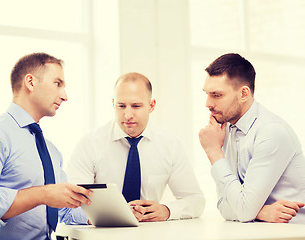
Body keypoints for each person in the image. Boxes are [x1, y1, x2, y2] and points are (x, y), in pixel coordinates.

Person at [0, 52, 93, 240]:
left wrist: (119, 214)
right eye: (57, 83)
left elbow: (66, 211)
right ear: (30, 82)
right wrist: (42, 194)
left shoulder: (51, 151)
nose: (65, 96)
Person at [66, 72, 205, 223]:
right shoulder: (90, 144)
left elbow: (195, 200)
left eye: (136, 106)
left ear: (152, 106)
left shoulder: (170, 145)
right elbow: (68, 208)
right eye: (121, 106)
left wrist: (167, 210)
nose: (127, 115)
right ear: (113, 104)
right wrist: (111, 217)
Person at [199, 53, 305, 224]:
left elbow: (243, 211)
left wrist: (214, 152)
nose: (208, 103)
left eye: (216, 95)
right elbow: (223, 205)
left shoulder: (271, 132)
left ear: (243, 94)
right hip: (259, 231)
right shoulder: (227, 129)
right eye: (206, 94)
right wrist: (260, 212)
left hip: (294, 232)